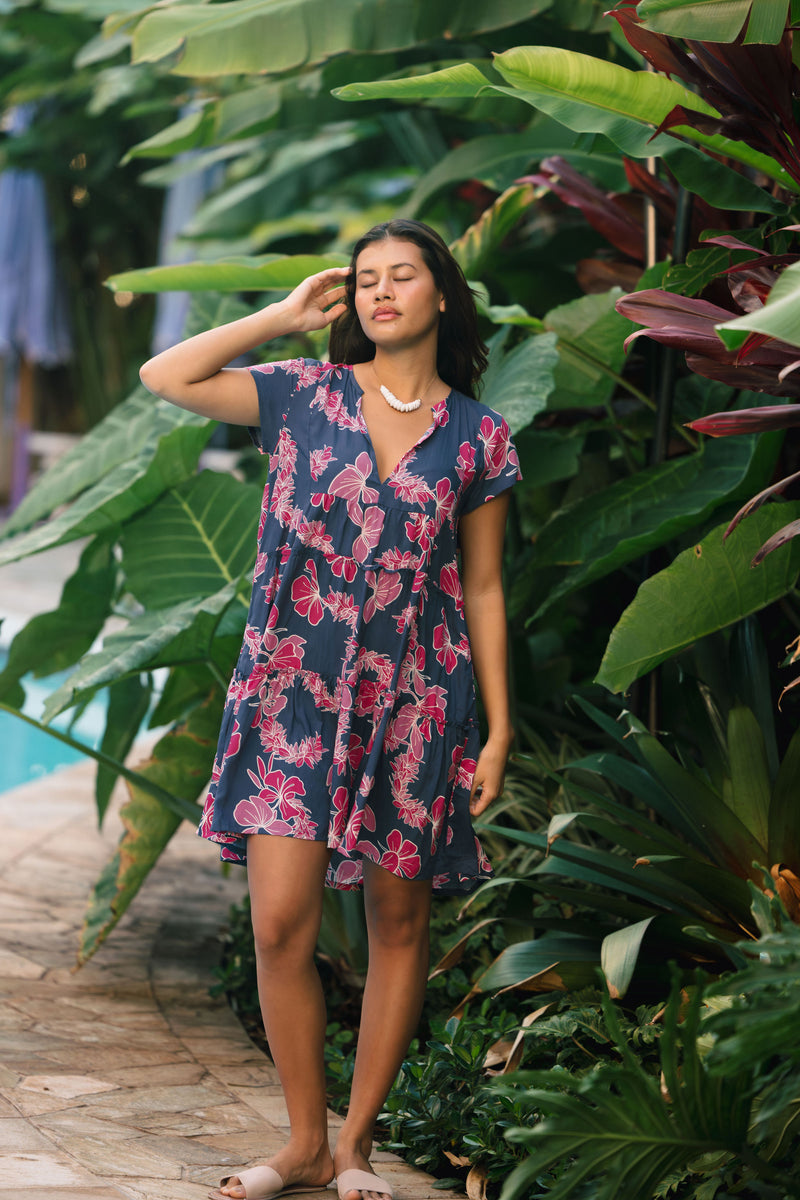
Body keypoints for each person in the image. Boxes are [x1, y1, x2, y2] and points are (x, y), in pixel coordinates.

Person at [139, 219, 521, 1200]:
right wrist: (278, 316)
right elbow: (166, 376)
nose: (381, 291)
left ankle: (352, 1146)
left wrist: (497, 723)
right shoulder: (303, 394)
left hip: (415, 698)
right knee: (278, 926)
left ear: (442, 294)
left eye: (403, 275)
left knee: (397, 921)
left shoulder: (477, 437)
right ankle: (300, 1139)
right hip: (292, 693)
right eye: (365, 279)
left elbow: (481, 589)